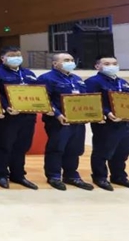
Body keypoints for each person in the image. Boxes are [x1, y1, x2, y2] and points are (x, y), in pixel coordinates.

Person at [85, 55, 129, 191]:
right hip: (106, 124)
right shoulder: (93, 82)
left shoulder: (123, 82)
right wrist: (107, 112)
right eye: (107, 64)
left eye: (114, 63)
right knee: (102, 151)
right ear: (97, 66)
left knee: (122, 152)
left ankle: (119, 176)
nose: (112, 66)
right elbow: (90, 101)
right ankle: (100, 177)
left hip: (125, 123)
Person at [38, 53, 94, 191]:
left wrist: (90, 113)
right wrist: (57, 114)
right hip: (58, 121)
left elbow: (86, 99)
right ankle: (54, 176)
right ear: (55, 63)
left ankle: (71, 175)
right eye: (66, 60)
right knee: (57, 149)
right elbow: (43, 99)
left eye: (72, 60)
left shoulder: (77, 79)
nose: (70, 62)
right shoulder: (46, 78)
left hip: (77, 121)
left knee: (74, 149)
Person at [0, 46, 39, 190]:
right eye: (12, 55)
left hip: (27, 116)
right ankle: (1, 174)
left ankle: (18, 174)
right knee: (4, 145)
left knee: (22, 145)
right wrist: (5, 106)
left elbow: (37, 92)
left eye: (18, 55)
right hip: (8, 117)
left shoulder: (28, 73)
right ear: (3, 58)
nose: (16, 58)